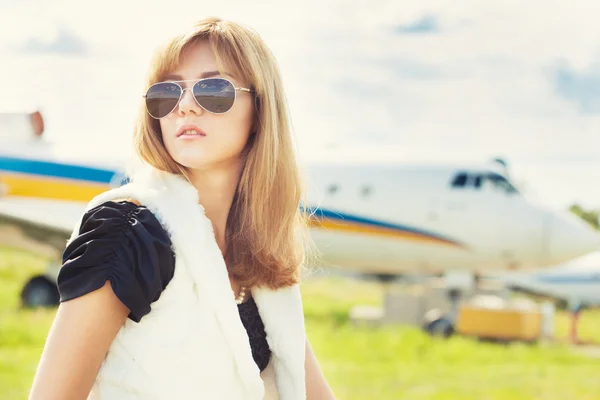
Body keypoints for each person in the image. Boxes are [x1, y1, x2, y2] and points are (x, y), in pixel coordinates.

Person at [29, 17, 335, 400]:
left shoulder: (256, 247)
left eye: (213, 89)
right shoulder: (127, 231)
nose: (185, 106)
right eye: (166, 92)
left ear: (260, 110)